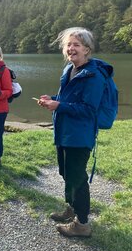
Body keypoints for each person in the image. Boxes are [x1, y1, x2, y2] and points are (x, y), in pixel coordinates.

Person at [37, 27, 108, 237]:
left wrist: (58, 106)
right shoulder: (69, 70)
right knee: (66, 173)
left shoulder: (94, 76)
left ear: (87, 49)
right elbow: (66, 98)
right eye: (68, 44)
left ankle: (82, 224)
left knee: (77, 178)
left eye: (76, 44)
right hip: (65, 132)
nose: (71, 48)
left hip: (80, 135)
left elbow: (88, 110)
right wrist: (52, 99)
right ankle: (72, 209)